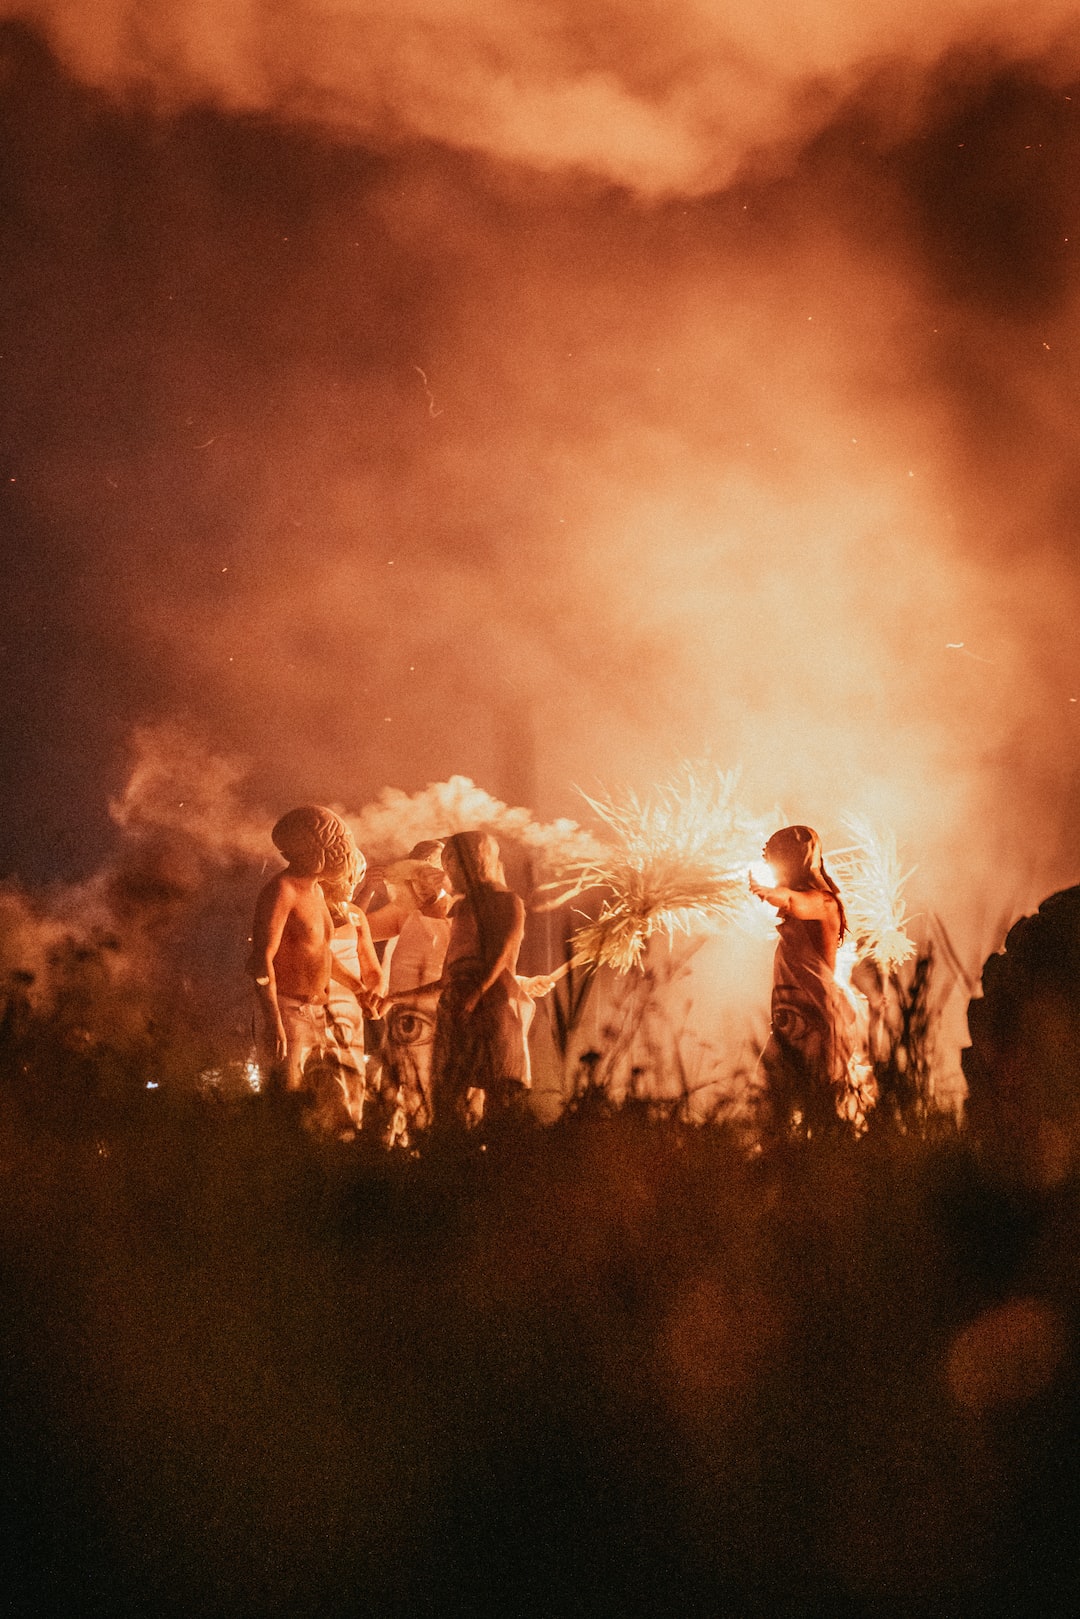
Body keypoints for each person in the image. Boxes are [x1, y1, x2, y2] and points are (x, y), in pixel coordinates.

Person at [749, 824, 855, 1138]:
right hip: (790, 1025)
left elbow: (795, 901)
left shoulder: (823, 903)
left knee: (815, 1108)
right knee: (773, 1106)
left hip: (813, 1024)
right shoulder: (806, 906)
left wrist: (768, 893)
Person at [248, 805, 361, 1101]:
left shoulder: (318, 891)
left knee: (322, 1105)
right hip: (289, 1015)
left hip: (321, 1014)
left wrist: (357, 987)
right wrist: (274, 1021)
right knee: (287, 1102)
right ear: (311, 849)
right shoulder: (282, 890)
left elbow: (320, 952)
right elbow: (261, 961)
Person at [431, 830, 527, 1130]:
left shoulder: (506, 901)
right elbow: (449, 970)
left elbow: (500, 953)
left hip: (490, 1008)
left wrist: (474, 995)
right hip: (456, 1007)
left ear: (474, 862)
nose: (448, 873)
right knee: (446, 1093)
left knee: (499, 1091)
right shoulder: (462, 908)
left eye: (452, 864)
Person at [362, 841, 454, 1141]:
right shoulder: (404, 912)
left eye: (429, 875)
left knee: (425, 1085)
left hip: (435, 1014)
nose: (421, 884)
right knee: (393, 1084)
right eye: (415, 876)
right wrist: (369, 890)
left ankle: (426, 1151)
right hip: (399, 1015)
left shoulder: (457, 912)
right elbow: (352, 929)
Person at [317, 850, 383, 1135]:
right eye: (350, 877)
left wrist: (375, 992)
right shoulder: (312, 909)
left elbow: (371, 966)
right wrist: (358, 988)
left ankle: (351, 1138)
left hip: (353, 1008)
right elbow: (319, 957)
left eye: (357, 878)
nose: (353, 884)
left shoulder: (355, 916)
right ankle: (326, 1138)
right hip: (319, 1000)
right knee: (327, 1073)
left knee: (353, 1072)